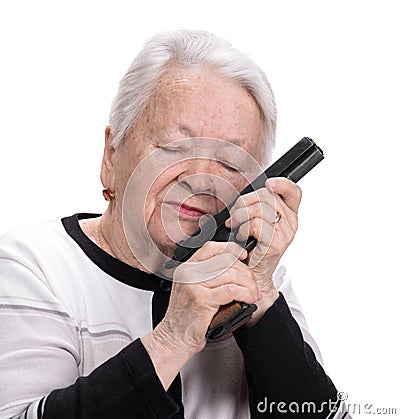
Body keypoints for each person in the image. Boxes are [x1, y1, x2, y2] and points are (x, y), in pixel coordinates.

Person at [0, 30, 347, 418]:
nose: (200, 178)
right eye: (173, 148)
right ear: (111, 157)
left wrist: (260, 298)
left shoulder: (257, 278)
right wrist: (173, 338)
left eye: (230, 162)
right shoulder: (34, 266)